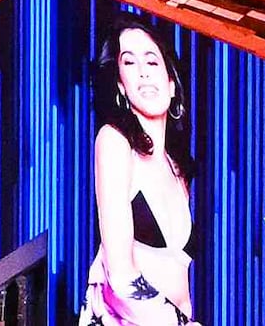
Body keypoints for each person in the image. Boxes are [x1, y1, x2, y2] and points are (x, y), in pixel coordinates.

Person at [80, 21, 196, 326]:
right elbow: (120, 274)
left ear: (172, 85)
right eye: (129, 62)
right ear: (120, 85)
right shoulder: (115, 142)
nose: (143, 71)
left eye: (152, 60)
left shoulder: (177, 165)